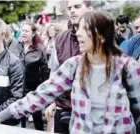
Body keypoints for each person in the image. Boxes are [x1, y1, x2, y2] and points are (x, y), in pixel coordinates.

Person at [0, 11, 140, 134]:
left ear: (101, 35)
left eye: (84, 29)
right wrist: (0, 117)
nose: (78, 33)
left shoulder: (127, 67)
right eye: (78, 28)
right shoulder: (73, 66)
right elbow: (40, 95)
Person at [45, 0, 93, 133]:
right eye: (69, 8)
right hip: (63, 108)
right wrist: (52, 101)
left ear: (90, 8)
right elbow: (54, 73)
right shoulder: (60, 40)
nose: (72, 10)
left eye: (77, 6)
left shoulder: (102, 38)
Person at [19, 22, 49, 131]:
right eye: (22, 30)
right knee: (19, 114)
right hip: (18, 87)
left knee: (36, 115)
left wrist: (43, 87)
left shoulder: (39, 49)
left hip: (33, 87)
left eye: (26, 31)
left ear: (33, 34)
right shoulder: (16, 46)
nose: (23, 33)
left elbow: (45, 69)